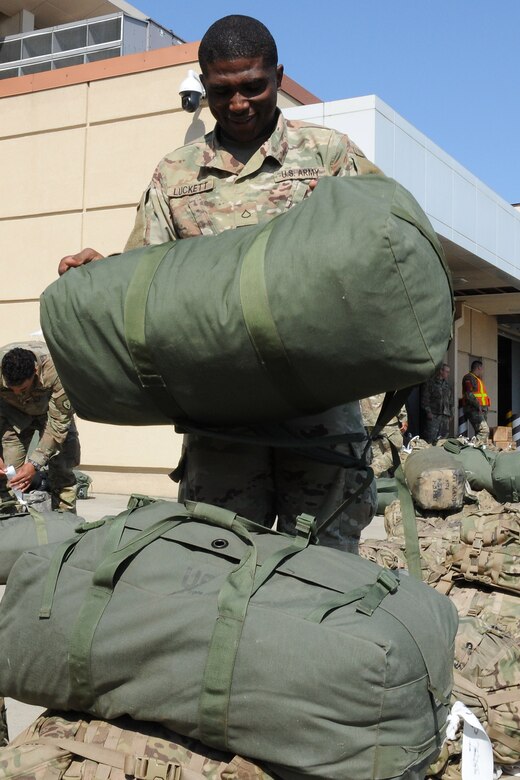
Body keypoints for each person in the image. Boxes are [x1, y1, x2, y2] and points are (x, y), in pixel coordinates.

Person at [58, 15, 383, 552]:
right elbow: (148, 279)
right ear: (205, 86)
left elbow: (382, 242)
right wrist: (102, 272)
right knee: (216, 563)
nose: (238, 104)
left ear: (278, 75)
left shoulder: (329, 154)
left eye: (254, 86)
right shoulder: (176, 174)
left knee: (325, 571)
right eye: (221, 91)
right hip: (221, 415)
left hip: (319, 407)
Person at [0, 343, 80, 512]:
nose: (18, 394)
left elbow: (59, 423)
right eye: (11, 389)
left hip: (51, 414)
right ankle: (9, 522)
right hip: (12, 415)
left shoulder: (58, 369)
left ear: (35, 372)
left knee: (62, 470)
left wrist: (34, 464)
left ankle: (64, 522)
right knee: (8, 474)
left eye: (22, 388)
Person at [360, 393, 408, 477]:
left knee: (379, 455)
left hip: (369, 419)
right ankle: (370, 473)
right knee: (396, 453)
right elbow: (397, 395)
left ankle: (378, 483)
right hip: (387, 419)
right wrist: (403, 417)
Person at [420, 363, 453, 443]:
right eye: (447, 372)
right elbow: (425, 399)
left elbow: (450, 401)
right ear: (441, 371)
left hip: (445, 417)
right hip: (434, 415)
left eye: (449, 372)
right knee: (430, 438)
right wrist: (428, 412)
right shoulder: (430, 383)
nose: (448, 374)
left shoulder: (447, 385)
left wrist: (451, 414)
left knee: (443, 440)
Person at [461, 360, 490, 445]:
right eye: (482, 369)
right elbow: (469, 394)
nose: (482, 371)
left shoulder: (477, 379)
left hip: (480, 410)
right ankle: (476, 448)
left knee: (482, 432)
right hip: (474, 409)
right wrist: (478, 406)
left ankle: (480, 449)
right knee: (484, 431)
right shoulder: (469, 378)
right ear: (479, 368)